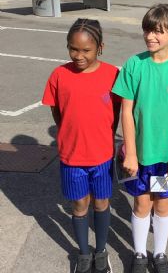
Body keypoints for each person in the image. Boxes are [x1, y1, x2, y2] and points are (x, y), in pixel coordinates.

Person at [112, 4, 168, 273]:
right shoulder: (134, 65)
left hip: (166, 157)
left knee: (162, 204)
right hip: (141, 155)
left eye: (157, 31)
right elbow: (126, 112)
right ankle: (139, 254)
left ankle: (159, 254)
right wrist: (130, 153)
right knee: (141, 203)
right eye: (147, 30)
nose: (150, 36)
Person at [42, 18, 121, 273]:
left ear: (100, 47)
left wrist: (107, 137)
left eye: (86, 50)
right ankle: (84, 254)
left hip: (102, 156)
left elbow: (117, 112)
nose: (78, 55)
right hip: (72, 157)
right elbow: (57, 112)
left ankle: (101, 251)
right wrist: (68, 133)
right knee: (79, 205)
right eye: (73, 49)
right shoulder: (59, 75)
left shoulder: (112, 74)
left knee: (101, 203)